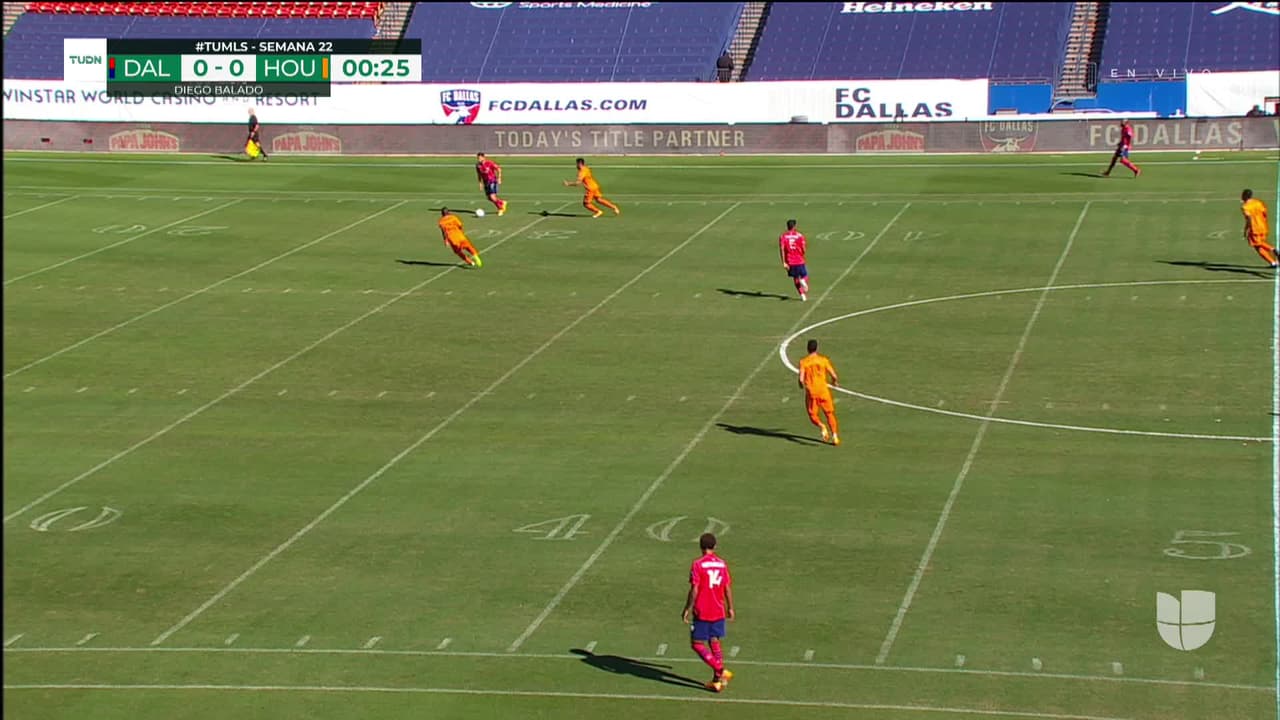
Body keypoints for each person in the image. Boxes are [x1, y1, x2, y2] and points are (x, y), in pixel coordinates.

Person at [682, 532, 734, 693]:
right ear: (715, 546)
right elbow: (727, 587)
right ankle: (717, 681)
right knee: (714, 640)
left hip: (703, 609)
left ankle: (720, 670)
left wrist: (687, 608)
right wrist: (730, 607)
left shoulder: (697, 564)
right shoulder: (722, 564)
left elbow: (695, 589)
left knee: (697, 644)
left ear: (700, 546)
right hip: (718, 608)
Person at [798, 339, 840, 445]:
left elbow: (801, 379)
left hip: (812, 392)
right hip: (823, 391)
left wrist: (801, 385)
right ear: (817, 348)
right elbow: (834, 375)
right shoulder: (823, 360)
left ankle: (822, 426)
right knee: (829, 413)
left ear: (807, 349)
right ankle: (835, 436)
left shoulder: (804, 362)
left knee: (812, 414)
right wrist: (834, 382)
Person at [1240, 189, 1278, 268]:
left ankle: (1273, 249)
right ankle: (1273, 263)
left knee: (1258, 244)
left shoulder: (1245, 207)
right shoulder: (1258, 202)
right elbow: (1264, 213)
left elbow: (1249, 218)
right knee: (1258, 246)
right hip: (1263, 226)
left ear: (1244, 196)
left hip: (1255, 228)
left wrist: (1246, 229)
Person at [779, 219, 808, 301]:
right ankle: (803, 281)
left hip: (790, 261)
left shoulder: (783, 236)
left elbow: (782, 249)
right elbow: (803, 248)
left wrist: (784, 262)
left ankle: (802, 295)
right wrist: (802, 253)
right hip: (799, 259)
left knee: (795, 278)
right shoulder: (799, 235)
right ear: (794, 226)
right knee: (804, 275)